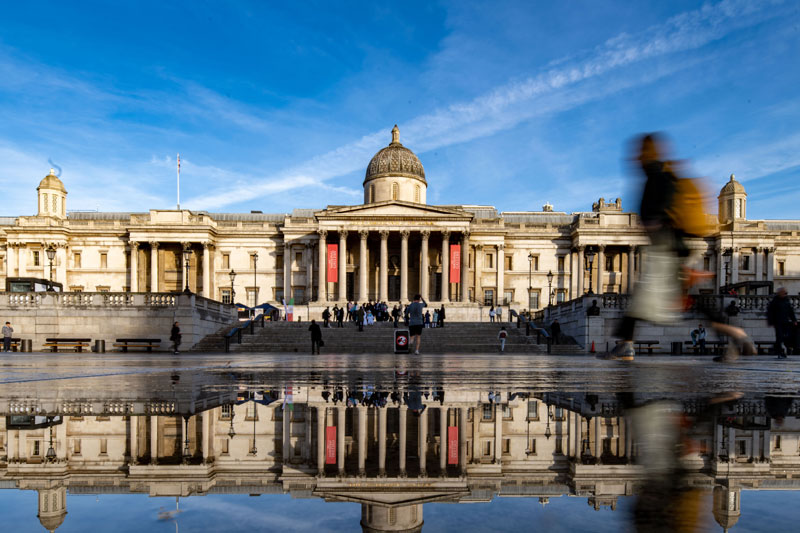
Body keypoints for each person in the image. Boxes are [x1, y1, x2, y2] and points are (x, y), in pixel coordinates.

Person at [602, 133, 753, 362]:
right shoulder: (664, 174)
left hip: (665, 246)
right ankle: (736, 335)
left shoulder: (657, 175)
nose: (634, 157)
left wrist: (652, 224)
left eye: (639, 152)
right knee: (684, 299)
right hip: (670, 247)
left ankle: (626, 345)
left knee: (643, 296)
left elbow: (658, 210)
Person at [767, 288, 797, 359]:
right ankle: (780, 351)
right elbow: (770, 312)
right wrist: (771, 321)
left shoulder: (786, 301)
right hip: (778, 322)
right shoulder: (775, 302)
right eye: (784, 293)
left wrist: (794, 320)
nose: (785, 294)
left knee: (785, 337)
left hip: (785, 322)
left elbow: (790, 311)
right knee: (779, 337)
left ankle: (779, 349)